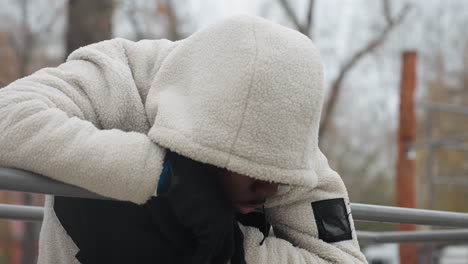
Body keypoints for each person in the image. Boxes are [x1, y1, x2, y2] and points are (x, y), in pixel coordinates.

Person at [0, 15, 368, 263]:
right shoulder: (121, 74)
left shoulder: (290, 150)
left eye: (280, 174)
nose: (271, 188)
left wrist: (238, 249)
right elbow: (8, 113)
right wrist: (163, 177)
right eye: (252, 169)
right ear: (203, 129)